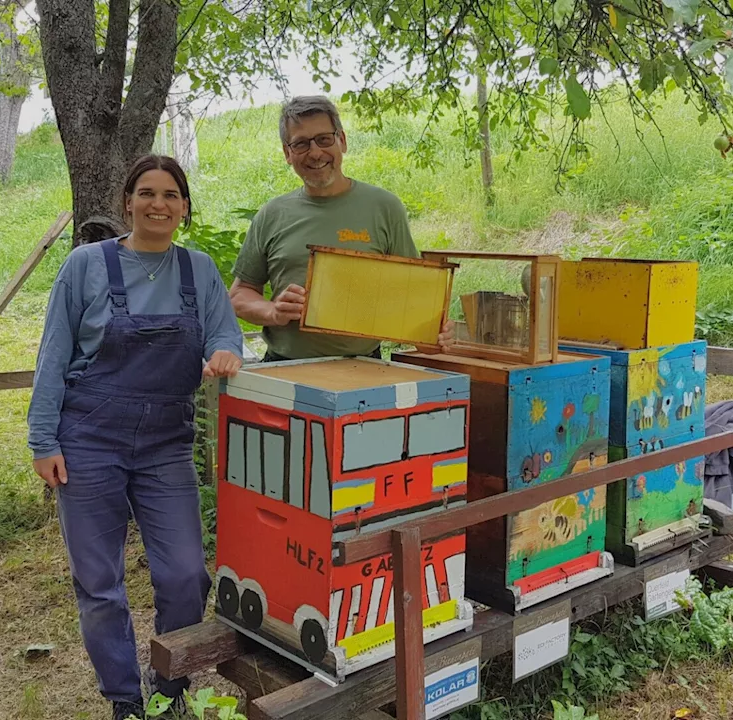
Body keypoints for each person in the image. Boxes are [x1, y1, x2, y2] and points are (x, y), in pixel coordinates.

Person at [27, 155, 244, 720]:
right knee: (99, 581)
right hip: (88, 438)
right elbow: (53, 355)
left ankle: (166, 686)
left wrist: (226, 352)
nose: (158, 204)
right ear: (128, 202)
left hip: (166, 445)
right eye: (146, 192)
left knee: (186, 574)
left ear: (185, 208)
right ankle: (125, 698)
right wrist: (42, 439)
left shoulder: (199, 270)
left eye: (171, 195)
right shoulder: (85, 266)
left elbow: (225, 332)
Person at [229, 95, 452, 361]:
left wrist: (432, 335)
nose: (314, 153)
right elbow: (240, 295)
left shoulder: (384, 207)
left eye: (324, 139)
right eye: (301, 144)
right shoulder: (272, 214)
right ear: (288, 153)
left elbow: (414, 298)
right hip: (284, 368)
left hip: (363, 369)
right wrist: (273, 312)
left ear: (342, 141)